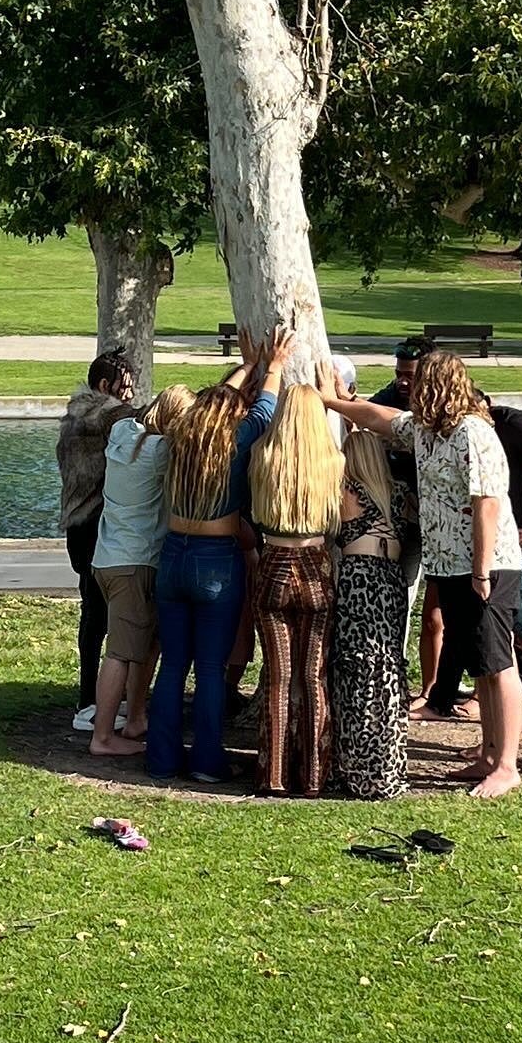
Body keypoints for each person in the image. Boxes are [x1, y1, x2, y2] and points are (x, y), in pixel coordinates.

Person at [322, 351, 522, 798]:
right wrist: (335, 401)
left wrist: (481, 571)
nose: (410, 389)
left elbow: (487, 503)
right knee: (480, 662)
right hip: (448, 565)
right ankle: (487, 753)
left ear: (440, 387)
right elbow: (378, 418)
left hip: (486, 566)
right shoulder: (425, 430)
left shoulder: (474, 432)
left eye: (421, 383)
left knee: (498, 663)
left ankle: (507, 764)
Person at [147, 326, 294, 784]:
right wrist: (273, 366)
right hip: (215, 560)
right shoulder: (235, 441)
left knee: (173, 664)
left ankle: (161, 758)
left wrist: (246, 366)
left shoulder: (180, 437)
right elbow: (265, 409)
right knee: (211, 667)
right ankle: (207, 761)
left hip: (173, 556)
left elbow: (211, 402)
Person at [424, 400, 522, 770]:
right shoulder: (460, 433)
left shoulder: (510, 422)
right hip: (491, 555)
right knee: (491, 645)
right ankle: (495, 740)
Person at [88, 384, 196, 758]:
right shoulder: (160, 452)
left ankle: (135, 718)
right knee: (120, 652)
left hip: (108, 557)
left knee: (147, 643)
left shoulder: (121, 434)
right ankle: (102, 737)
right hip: (135, 562)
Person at [250, 384, 344, 797]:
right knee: (313, 675)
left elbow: (253, 514)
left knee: (279, 675)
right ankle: (314, 775)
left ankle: (273, 774)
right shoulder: (333, 461)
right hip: (315, 561)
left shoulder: (263, 456)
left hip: (274, 557)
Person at [57, 349, 136, 729]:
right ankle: (89, 703)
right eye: (125, 387)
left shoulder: (75, 416)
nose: (130, 394)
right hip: (91, 526)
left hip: (79, 526)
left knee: (95, 613)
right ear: (105, 385)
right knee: (95, 616)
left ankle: (97, 697)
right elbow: (148, 419)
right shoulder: (102, 415)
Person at [331, 429, 409, 799]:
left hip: (358, 579)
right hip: (391, 580)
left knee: (353, 668)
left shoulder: (345, 491)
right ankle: (387, 761)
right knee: (387, 666)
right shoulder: (399, 493)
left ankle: (354, 762)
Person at [370, 337, 436, 676]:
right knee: (401, 593)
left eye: (410, 375)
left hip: (445, 523)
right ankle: (393, 666)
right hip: (406, 520)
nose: (403, 382)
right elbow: (368, 414)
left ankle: (439, 683)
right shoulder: (392, 396)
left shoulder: (449, 404)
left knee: (442, 612)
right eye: (399, 374)